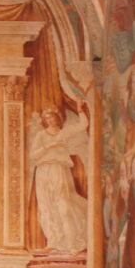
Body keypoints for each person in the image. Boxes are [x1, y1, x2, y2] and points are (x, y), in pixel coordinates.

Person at [29, 108, 89, 254]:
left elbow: (83, 125)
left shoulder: (64, 132)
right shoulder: (41, 135)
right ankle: (53, 241)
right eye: (47, 119)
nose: (50, 121)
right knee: (47, 207)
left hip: (59, 169)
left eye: (52, 118)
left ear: (57, 118)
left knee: (64, 207)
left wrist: (80, 110)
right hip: (43, 171)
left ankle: (72, 244)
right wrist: (49, 146)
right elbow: (33, 155)